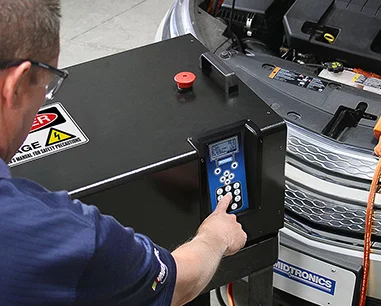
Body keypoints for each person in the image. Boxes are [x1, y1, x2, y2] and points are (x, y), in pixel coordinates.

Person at [0, 1, 247, 305]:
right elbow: (179, 283)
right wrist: (216, 236)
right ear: (17, 87)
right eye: (48, 87)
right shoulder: (60, 234)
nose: (44, 103)